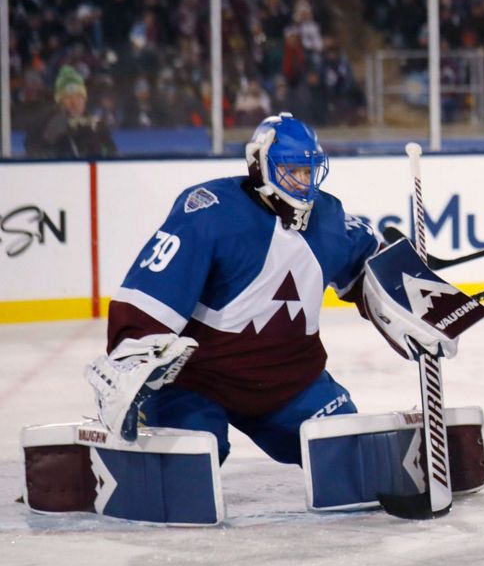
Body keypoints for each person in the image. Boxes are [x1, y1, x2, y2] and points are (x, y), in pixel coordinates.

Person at [84, 112, 455, 466]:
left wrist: (421, 297)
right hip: (198, 381)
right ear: (260, 165)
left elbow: (371, 266)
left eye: (309, 171)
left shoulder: (328, 218)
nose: (303, 181)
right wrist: (131, 358)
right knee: (192, 455)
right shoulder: (209, 211)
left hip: (289, 381)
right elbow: (152, 289)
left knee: (347, 452)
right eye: (291, 170)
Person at [25, 65, 117, 158]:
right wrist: (47, 139)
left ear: (84, 99)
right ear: (60, 102)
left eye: (78, 96)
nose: (74, 102)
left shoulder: (96, 125)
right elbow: (32, 153)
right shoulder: (44, 123)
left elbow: (111, 155)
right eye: (68, 97)